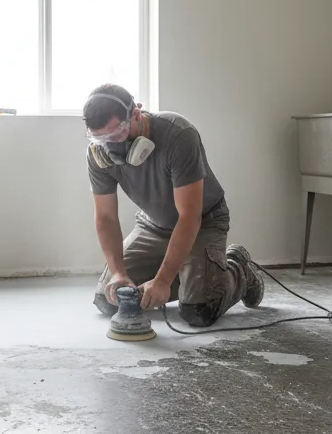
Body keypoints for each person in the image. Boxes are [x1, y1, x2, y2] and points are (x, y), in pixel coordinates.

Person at [84, 83, 263, 327]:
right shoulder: (99, 155)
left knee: (198, 311)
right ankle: (191, 274)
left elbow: (189, 216)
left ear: (136, 114)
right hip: (153, 225)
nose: (111, 147)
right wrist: (118, 273)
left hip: (203, 221)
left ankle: (239, 270)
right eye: (101, 138)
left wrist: (163, 280)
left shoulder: (178, 135)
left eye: (117, 135)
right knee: (110, 299)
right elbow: (105, 218)